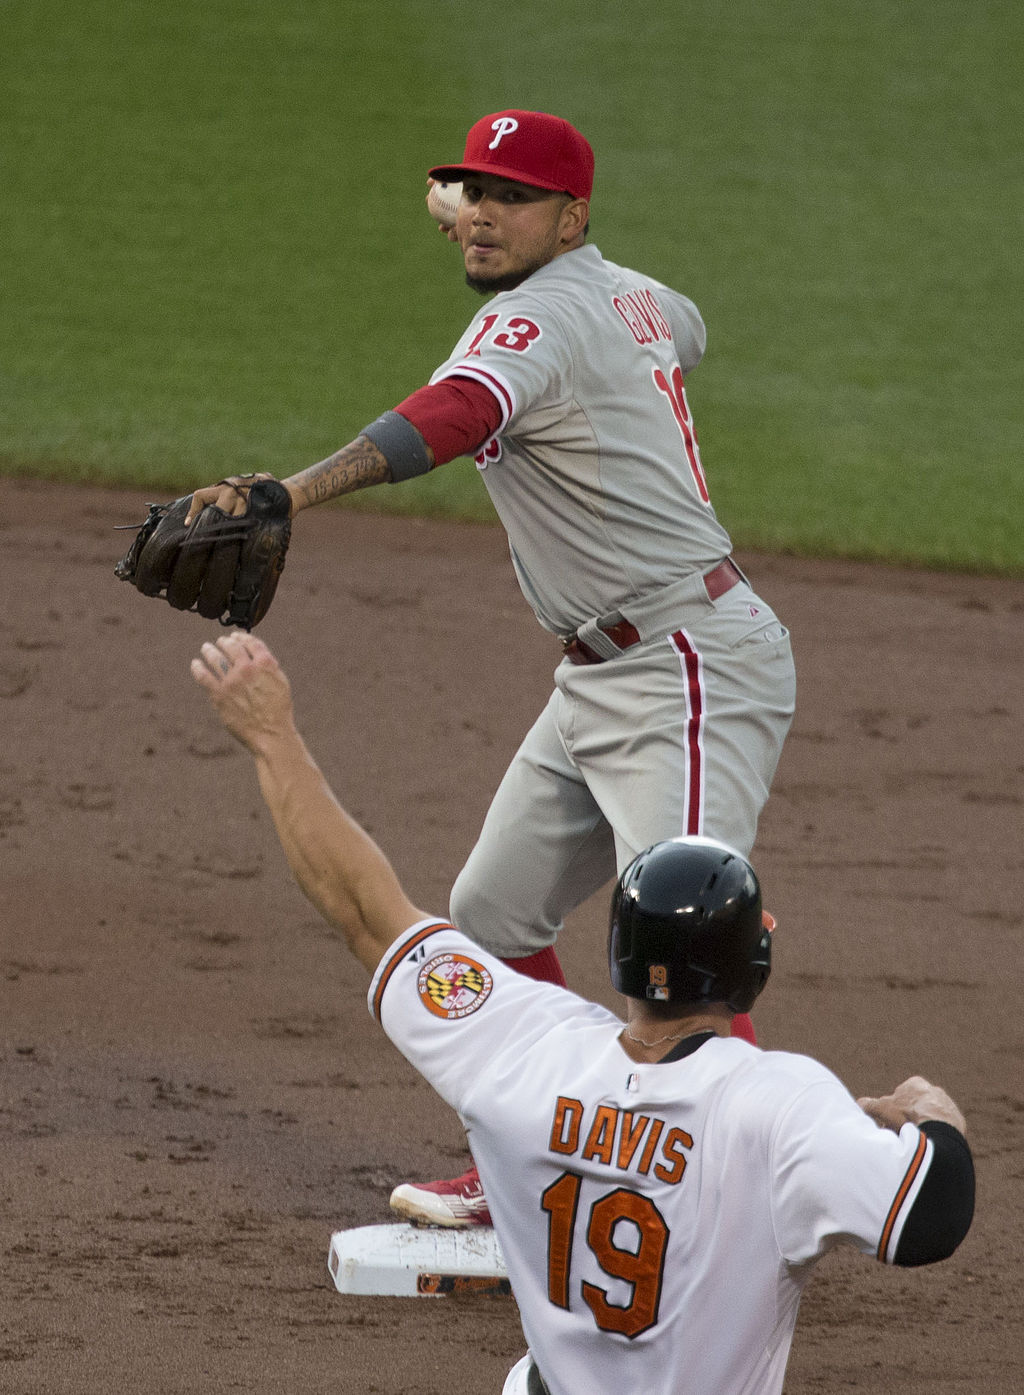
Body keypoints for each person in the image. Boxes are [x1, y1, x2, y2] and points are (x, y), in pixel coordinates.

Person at [183, 109, 798, 1224]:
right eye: (471, 193)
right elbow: (685, 326)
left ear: (572, 216)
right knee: (491, 917)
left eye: (511, 197)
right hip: (605, 672)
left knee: (685, 937)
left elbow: (453, 415)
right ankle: (538, 1161)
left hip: (688, 665)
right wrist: (515, 229)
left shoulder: (537, 322)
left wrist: (291, 493)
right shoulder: (638, 297)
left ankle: (729, 1211)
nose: (480, 213)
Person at [190, 631, 974, 1395]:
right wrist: (931, 1116)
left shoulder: (521, 1048)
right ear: (750, 967)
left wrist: (272, 735)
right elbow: (932, 1215)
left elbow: (366, 910)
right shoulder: (780, 1107)